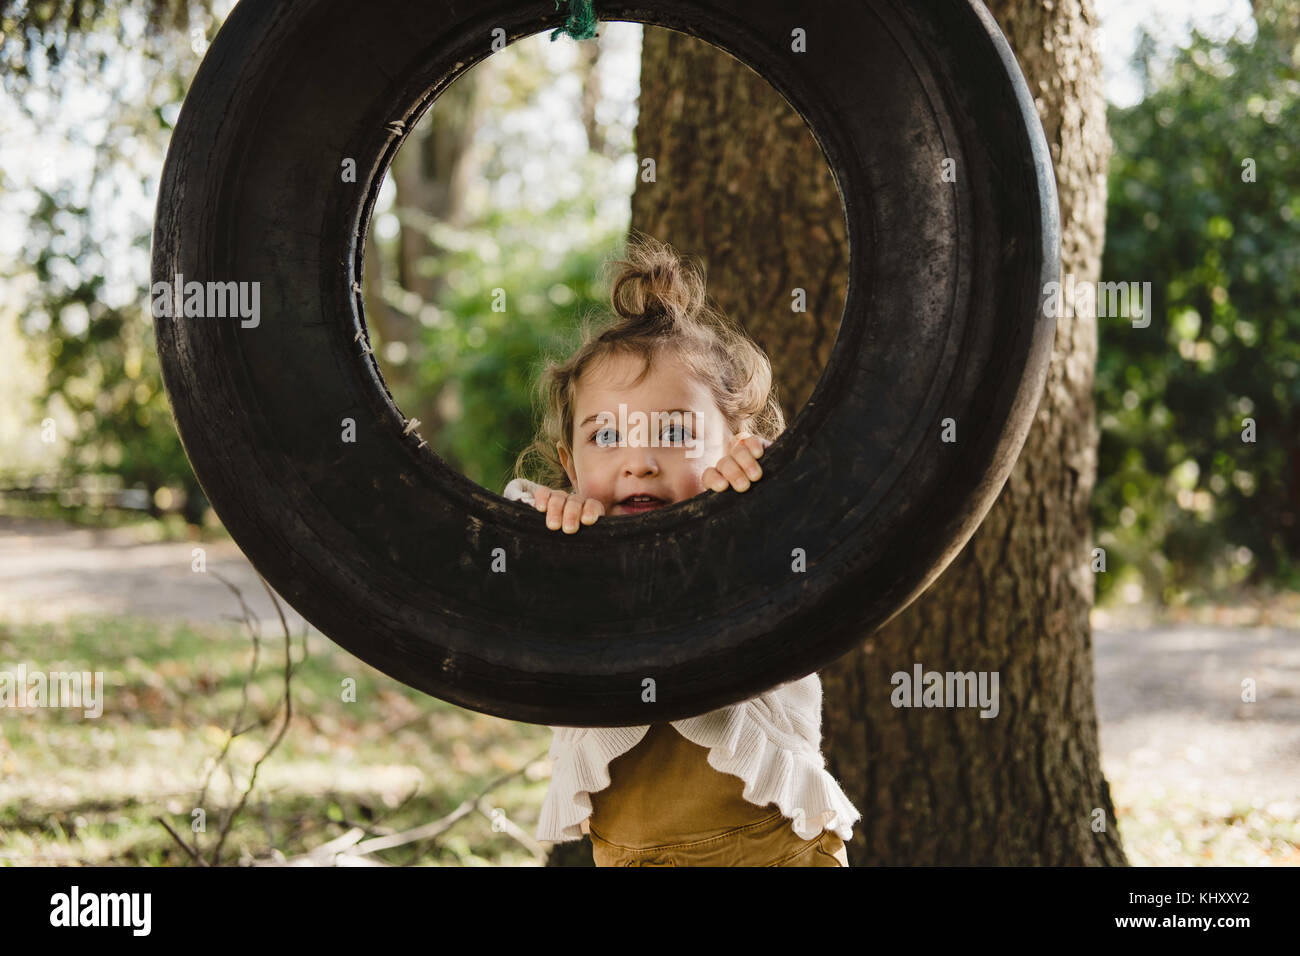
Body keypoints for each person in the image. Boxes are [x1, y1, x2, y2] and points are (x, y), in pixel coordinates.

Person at [503, 230, 860, 866]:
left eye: (672, 431)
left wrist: (753, 503)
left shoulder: (762, 531)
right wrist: (544, 521)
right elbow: (493, 572)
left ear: (735, 447)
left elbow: (815, 554)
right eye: (605, 434)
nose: (638, 461)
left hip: (771, 850)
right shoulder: (566, 551)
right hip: (624, 855)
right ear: (569, 462)